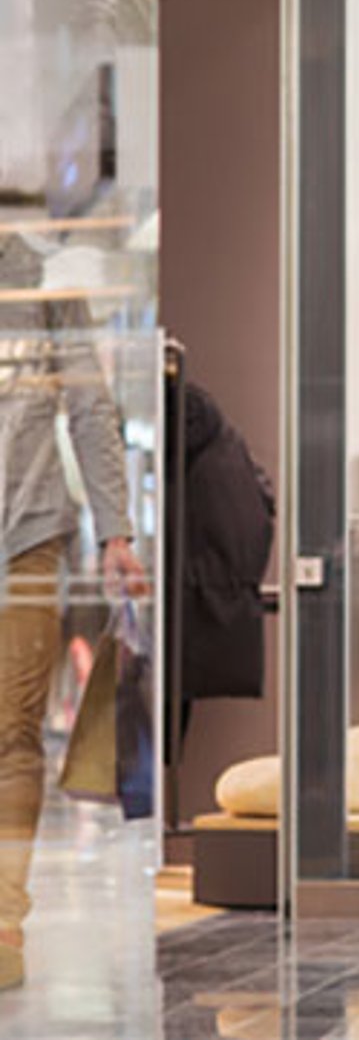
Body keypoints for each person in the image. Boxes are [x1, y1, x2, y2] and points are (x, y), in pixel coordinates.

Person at [0, 233, 148, 992]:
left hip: (25, 536)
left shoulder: (41, 276)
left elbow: (90, 407)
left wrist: (116, 531)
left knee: (13, 734)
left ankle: (3, 925)